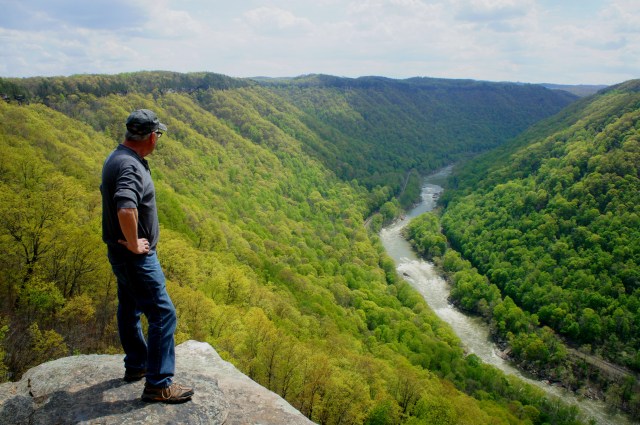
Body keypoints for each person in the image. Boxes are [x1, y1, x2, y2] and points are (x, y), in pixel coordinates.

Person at [101, 109, 193, 403]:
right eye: (159, 135)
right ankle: (158, 384)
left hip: (120, 255)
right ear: (152, 137)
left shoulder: (117, 157)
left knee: (129, 308)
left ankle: (138, 365)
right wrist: (133, 243)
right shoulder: (129, 166)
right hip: (136, 259)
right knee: (163, 313)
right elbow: (126, 206)